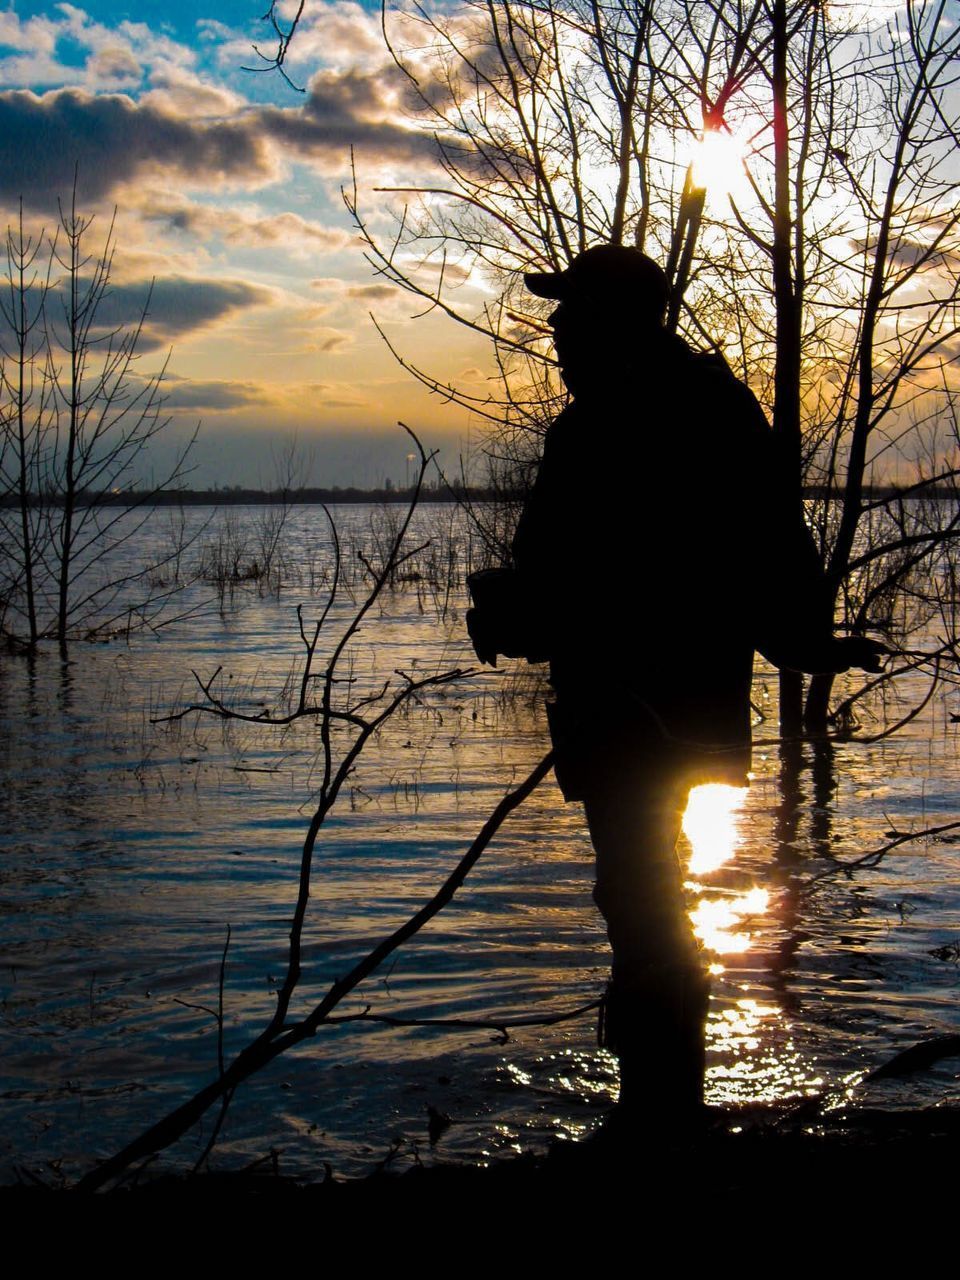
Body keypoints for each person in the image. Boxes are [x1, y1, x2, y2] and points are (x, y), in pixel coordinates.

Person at [468, 244, 883, 1128]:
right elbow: (767, 552)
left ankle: (658, 1119)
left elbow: (742, 552)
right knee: (644, 896)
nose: (556, 330)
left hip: (639, 715)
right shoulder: (700, 409)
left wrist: (809, 643)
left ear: (613, 322)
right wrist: (807, 644)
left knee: (642, 897)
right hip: (661, 712)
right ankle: (659, 1107)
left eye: (570, 313)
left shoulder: (625, 423)